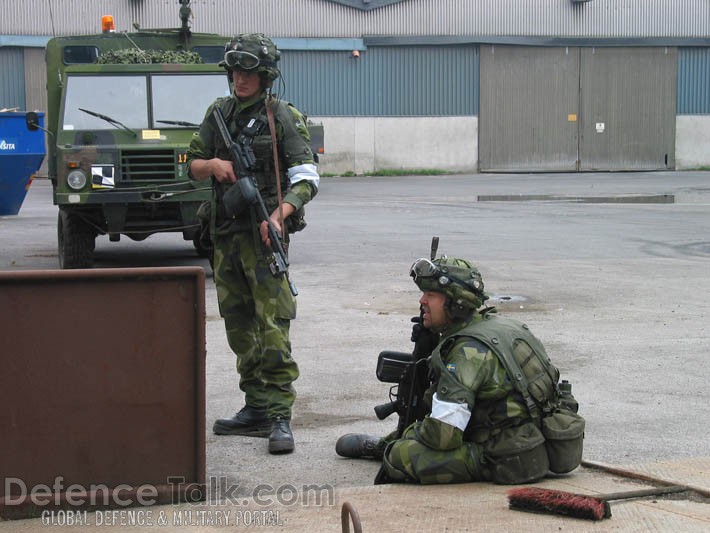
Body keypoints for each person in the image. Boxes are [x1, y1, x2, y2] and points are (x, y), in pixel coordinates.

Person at [336, 255, 580, 484]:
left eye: (431, 295)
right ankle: (385, 443)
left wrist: (410, 433)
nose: (422, 302)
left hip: (506, 456)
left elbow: (444, 436)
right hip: (535, 438)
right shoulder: (506, 325)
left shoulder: (465, 352)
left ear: (455, 302)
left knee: (401, 455)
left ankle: (389, 447)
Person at [187, 33, 319, 455]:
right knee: (239, 325)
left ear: (265, 76)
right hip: (226, 238)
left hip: (264, 237)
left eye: (249, 72)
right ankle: (256, 407)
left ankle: (280, 415)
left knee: (273, 326)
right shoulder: (217, 113)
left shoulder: (282, 116)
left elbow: (306, 177)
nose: (239, 79)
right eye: (235, 71)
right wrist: (214, 165)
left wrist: (280, 214)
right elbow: (190, 164)